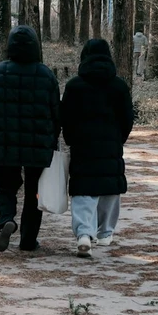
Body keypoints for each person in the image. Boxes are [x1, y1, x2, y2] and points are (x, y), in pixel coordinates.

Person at [0, 25, 60, 253]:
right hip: (38, 146)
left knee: (6, 185)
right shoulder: (46, 74)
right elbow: (56, 113)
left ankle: (6, 219)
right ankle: (28, 240)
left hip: (3, 143)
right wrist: (52, 140)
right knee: (35, 192)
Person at [60, 38, 134, 258]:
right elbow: (128, 118)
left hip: (83, 146)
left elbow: (66, 117)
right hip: (110, 146)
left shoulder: (74, 86)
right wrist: (118, 139)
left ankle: (84, 234)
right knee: (110, 189)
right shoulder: (119, 86)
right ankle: (105, 233)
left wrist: (71, 138)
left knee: (84, 190)